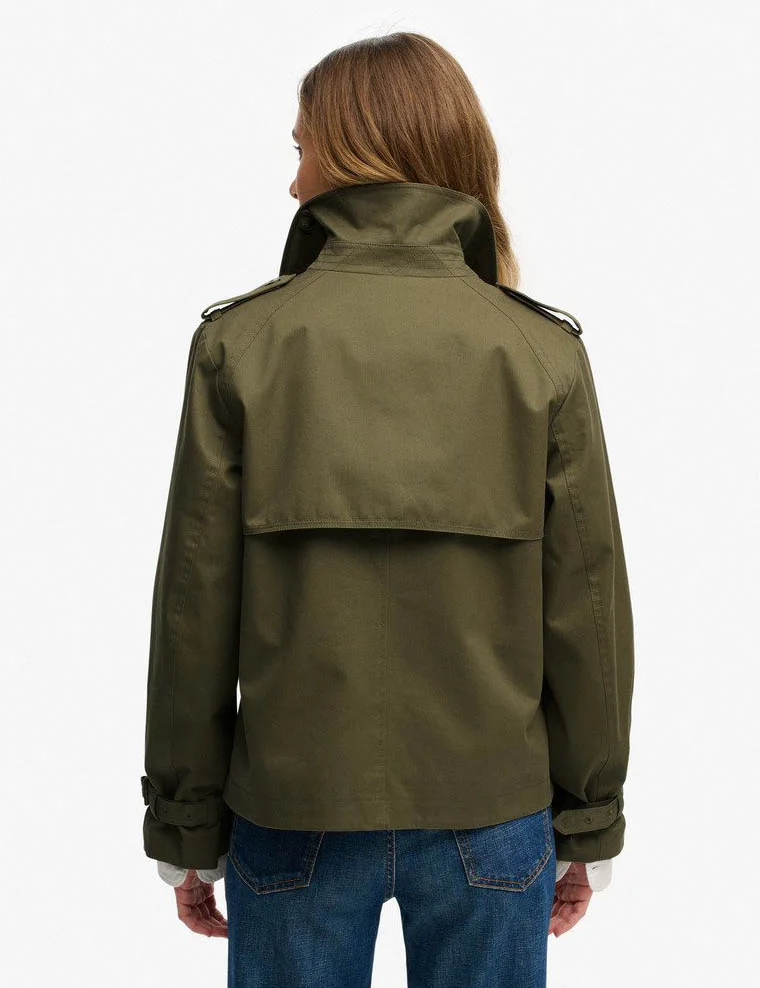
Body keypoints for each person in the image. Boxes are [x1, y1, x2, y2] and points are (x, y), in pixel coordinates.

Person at [141, 31, 634, 987]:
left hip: (292, 809)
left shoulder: (242, 346)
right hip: (494, 811)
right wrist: (589, 820)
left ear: (350, 154)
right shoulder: (538, 353)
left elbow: (194, 611)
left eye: (301, 150)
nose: (292, 182)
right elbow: (588, 611)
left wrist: (186, 826)